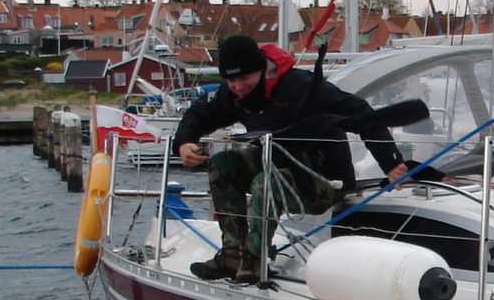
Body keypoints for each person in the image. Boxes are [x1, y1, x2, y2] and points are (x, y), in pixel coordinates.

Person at [174, 34, 409, 282]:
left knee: (265, 183)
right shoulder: (234, 95)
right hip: (275, 165)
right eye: (231, 80)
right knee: (222, 164)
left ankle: (254, 263)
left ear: (261, 70)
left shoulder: (301, 87)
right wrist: (184, 142)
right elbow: (200, 114)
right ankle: (233, 256)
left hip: (324, 179)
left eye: (244, 78)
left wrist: (391, 163)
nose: (238, 87)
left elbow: (360, 112)